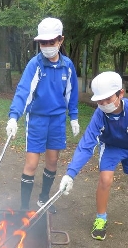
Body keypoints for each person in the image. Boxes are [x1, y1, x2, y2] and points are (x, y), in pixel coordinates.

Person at [58, 71, 128, 240]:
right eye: (100, 100)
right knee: (105, 180)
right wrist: (70, 174)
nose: (104, 104)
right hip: (111, 148)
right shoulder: (99, 116)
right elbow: (86, 145)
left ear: (121, 93)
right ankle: (100, 218)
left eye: (108, 99)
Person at [6, 17, 80, 212]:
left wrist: (73, 116)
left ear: (60, 40)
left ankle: (43, 199)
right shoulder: (35, 65)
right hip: (37, 119)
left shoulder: (67, 65)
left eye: (51, 42)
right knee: (31, 163)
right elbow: (23, 91)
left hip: (57, 120)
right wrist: (14, 116)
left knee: (53, 161)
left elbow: (72, 93)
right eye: (43, 43)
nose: (47, 46)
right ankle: (23, 208)